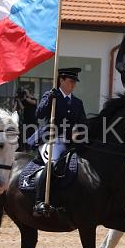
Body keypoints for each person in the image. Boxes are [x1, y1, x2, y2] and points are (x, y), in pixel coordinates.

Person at [28, 67, 87, 216]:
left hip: (68, 142)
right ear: (61, 80)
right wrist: (48, 99)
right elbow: (39, 114)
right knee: (52, 164)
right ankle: (39, 202)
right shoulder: (51, 96)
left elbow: (82, 124)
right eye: (71, 81)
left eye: (75, 82)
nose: (73, 84)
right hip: (51, 140)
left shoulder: (77, 103)